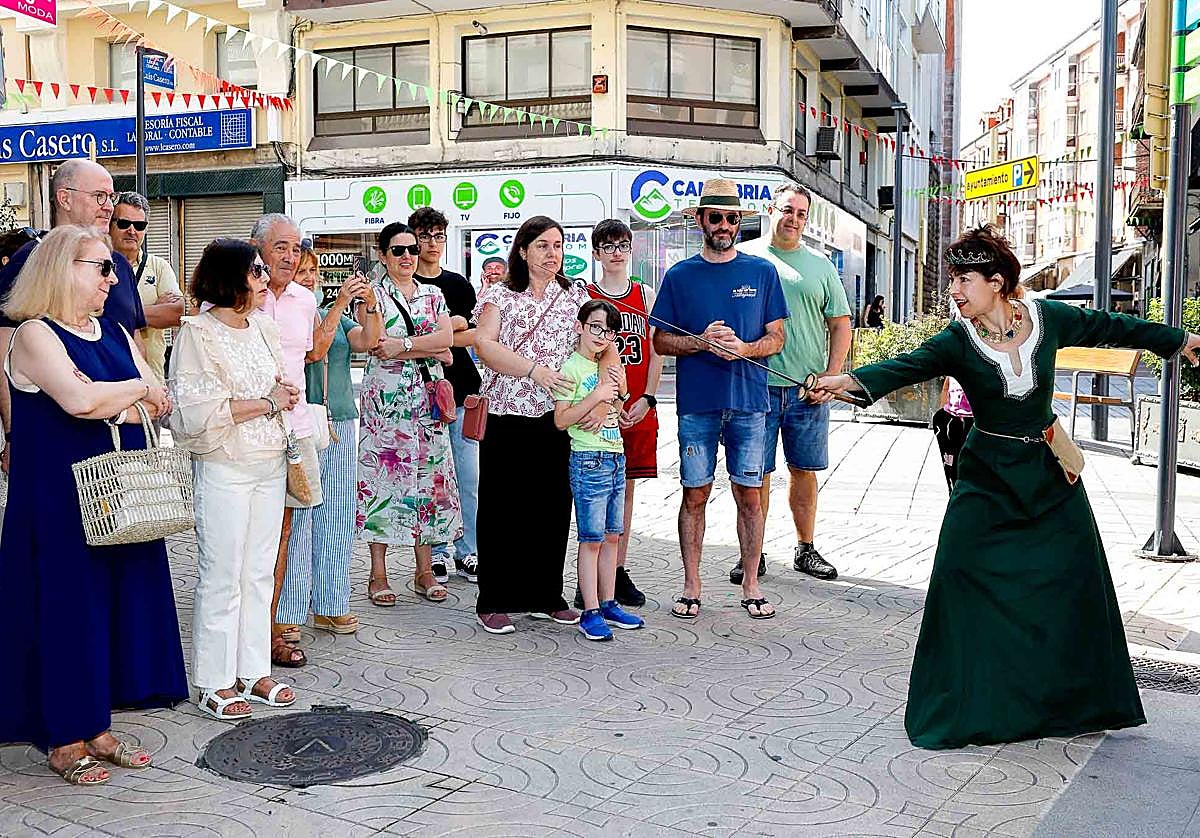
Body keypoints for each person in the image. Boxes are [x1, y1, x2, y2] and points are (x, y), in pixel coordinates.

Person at [813, 225, 1200, 750]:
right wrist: (850, 383)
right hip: (987, 475)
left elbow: (1111, 325)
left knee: (1073, 577)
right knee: (958, 571)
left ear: (996, 282)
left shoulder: (1048, 317)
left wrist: (1180, 340)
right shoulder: (957, 339)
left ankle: (1078, 701)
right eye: (951, 279)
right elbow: (908, 366)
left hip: (1047, 473)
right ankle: (965, 702)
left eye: (963, 279)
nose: (953, 290)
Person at [0, 225, 187, 785]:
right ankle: (63, 739)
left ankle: (97, 726)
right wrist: (127, 395)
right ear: (61, 268)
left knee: (108, 608)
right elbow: (81, 400)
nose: (113, 278)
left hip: (117, 497)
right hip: (57, 501)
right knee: (65, 613)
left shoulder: (112, 330)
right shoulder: (34, 334)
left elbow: (161, 399)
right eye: (100, 267)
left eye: (112, 268)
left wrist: (120, 399)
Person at [170, 238, 302, 721]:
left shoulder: (264, 327)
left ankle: (253, 670)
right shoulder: (197, 334)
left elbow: (280, 383)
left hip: (270, 462)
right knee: (222, 574)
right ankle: (214, 679)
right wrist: (268, 402)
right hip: (224, 465)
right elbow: (196, 414)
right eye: (257, 271)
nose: (267, 278)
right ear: (232, 278)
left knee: (259, 571)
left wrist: (283, 393)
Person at [650, 178, 787, 621]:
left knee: (750, 495)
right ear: (700, 220)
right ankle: (691, 585)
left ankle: (751, 583)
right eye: (716, 217)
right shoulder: (679, 275)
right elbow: (661, 342)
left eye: (732, 218)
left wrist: (743, 349)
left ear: (740, 221)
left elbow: (777, 337)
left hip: (750, 404)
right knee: (695, 494)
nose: (724, 225)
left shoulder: (761, 271)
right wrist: (702, 343)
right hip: (697, 404)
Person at [472, 215, 615, 635]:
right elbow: (485, 346)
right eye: (543, 245)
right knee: (502, 507)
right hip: (506, 412)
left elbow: (602, 341)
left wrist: (605, 388)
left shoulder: (574, 296)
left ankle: (546, 594)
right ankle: (494, 597)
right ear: (523, 250)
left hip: (558, 416)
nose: (553, 253)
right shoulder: (501, 294)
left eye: (558, 245)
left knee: (552, 505)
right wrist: (534, 371)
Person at [0, 161, 148, 477]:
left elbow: (135, 341)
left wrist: (124, 402)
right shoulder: (29, 261)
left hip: (121, 458)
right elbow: (5, 353)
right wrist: (13, 434)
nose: (109, 206)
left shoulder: (119, 265)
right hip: (58, 451)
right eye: (99, 196)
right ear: (65, 198)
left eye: (111, 196)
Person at [736, 184, 849, 583]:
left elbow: (839, 324)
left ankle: (806, 548)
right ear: (771, 209)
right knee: (756, 473)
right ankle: (753, 552)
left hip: (808, 390)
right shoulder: (744, 257)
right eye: (788, 210)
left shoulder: (819, 265)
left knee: (804, 470)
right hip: (755, 387)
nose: (794, 219)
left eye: (801, 214)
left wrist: (831, 377)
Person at [277, 246, 383, 632]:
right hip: (300, 426)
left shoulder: (327, 314)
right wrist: (339, 303)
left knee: (337, 518)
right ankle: (287, 612)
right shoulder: (288, 314)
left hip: (339, 420)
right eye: (301, 271)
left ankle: (331, 601)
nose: (308, 277)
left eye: (313, 271)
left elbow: (369, 340)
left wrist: (369, 304)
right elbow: (313, 352)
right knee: (300, 521)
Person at [357, 222, 462, 607]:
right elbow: (373, 344)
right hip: (386, 403)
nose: (407, 257)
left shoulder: (433, 294)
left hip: (427, 402)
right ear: (383, 256)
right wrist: (426, 347)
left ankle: (423, 570)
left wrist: (403, 345)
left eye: (412, 250)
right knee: (383, 482)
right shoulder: (374, 296)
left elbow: (446, 341)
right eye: (398, 250)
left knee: (427, 482)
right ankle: (378, 573)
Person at [575, 218, 662, 609]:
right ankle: (587, 578)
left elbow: (657, 349)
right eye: (607, 246)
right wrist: (601, 401)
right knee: (590, 490)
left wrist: (647, 397)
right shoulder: (586, 295)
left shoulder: (645, 294)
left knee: (624, 490)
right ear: (595, 253)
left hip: (635, 406)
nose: (616, 252)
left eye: (622, 245)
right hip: (597, 409)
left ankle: (618, 570)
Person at [249, 214, 320, 670]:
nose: (291, 257)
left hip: (294, 430)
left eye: (296, 248)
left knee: (284, 533)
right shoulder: (236, 299)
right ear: (257, 249)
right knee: (245, 534)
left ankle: (271, 630)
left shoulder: (305, 299)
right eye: (281, 247)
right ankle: (244, 635)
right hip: (247, 433)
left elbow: (309, 356)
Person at [555, 299, 645, 641]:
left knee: (612, 536)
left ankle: (609, 601)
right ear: (579, 327)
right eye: (595, 326)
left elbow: (617, 405)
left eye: (608, 330)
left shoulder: (607, 366)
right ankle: (590, 608)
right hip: (587, 458)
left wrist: (619, 400)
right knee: (591, 539)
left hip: (615, 456)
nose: (601, 335)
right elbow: (561, 420)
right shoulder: (571, 368)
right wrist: (595, 397)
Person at [410, 206, 481, 585]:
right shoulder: (405, 284)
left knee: (469, 477)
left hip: (463, 388)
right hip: (420, 391)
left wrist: (436, 336)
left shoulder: (458, 284)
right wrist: (444, 331)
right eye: (425, 236)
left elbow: (474, 334)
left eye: (438, 236)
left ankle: (468, 550)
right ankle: (436, 552)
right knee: (432, 480)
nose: (432, 244)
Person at [111, 192, 184, 383]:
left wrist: (119, 316)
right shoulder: (99, 266)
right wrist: (153, 312)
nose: (132, 231)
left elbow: (176, 313)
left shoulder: (159, 266)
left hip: (154, 381)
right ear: (110, 224)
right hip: (110, 380)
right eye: (124, 223)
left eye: (139, 225)